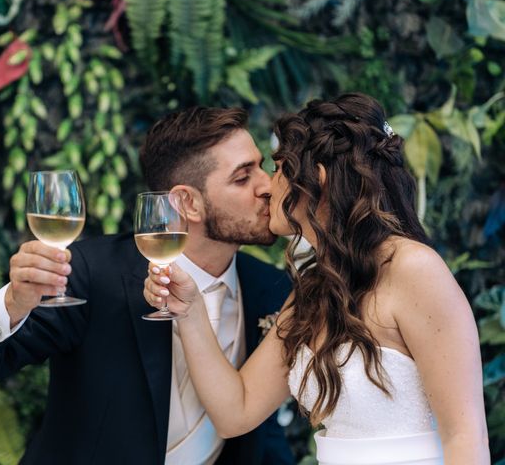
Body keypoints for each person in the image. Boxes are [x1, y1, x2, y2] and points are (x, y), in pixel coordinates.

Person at [0, 107, 295, 465]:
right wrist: (12, 303)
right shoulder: (93, 273)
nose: (267, 185)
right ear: (188, 203)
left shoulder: (271, 288)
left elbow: (261, 430)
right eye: (243, 177)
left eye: (261, 167)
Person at [144, 93, 490, 465]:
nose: (267, 186)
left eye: (277, 169)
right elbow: (236, 412)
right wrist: (191, 309)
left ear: (317, 181)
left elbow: (465, 437)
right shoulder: (316, 289)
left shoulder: (414, 270)